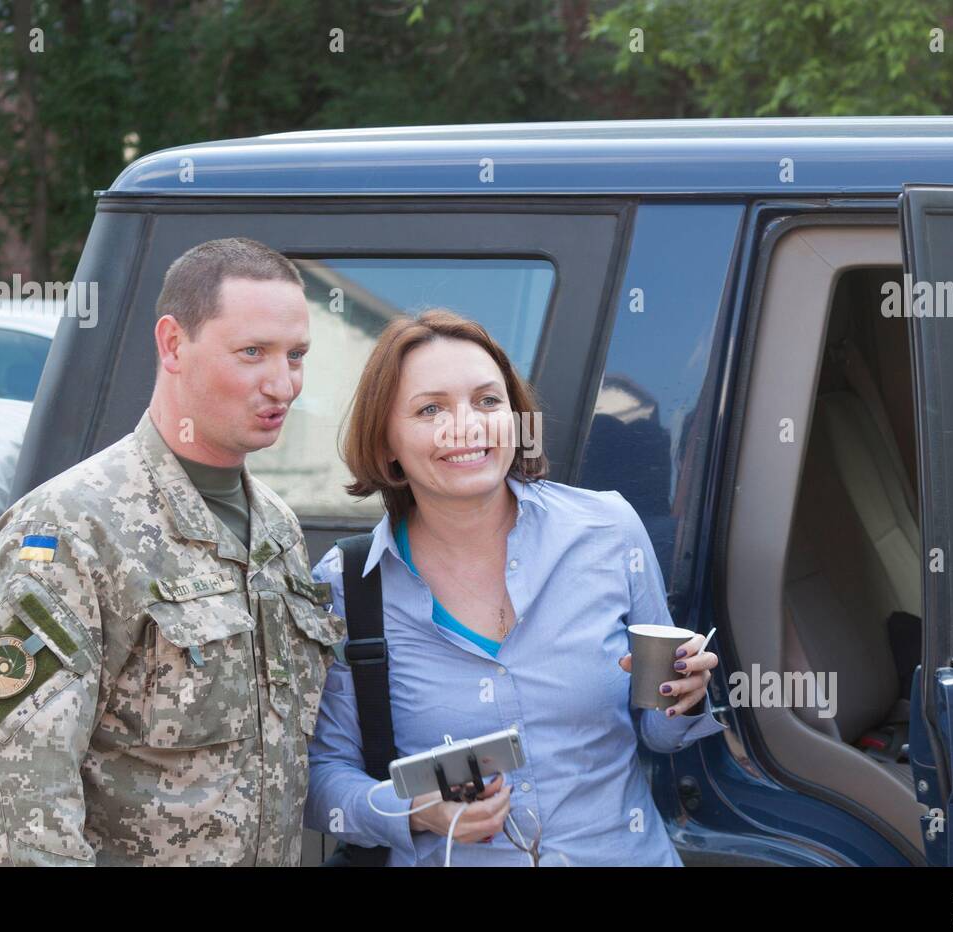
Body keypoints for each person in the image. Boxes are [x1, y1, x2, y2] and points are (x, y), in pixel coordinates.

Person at [0, 237, 344, 865]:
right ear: (172, 345)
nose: (283, 384)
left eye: (296, 355)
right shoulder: (70, 529)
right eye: (252, 353)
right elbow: (13, 794)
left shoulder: (277, 530)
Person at [303, 308, 724, 866]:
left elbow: (659, 730)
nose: (468, 427)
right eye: (431, 409)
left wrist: (683, 698)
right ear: (386, 445)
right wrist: (413, 810)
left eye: (487, 401)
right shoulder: (346, 585)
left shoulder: (607, 529)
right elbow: (320, 781)